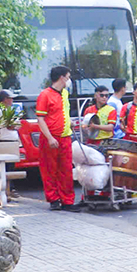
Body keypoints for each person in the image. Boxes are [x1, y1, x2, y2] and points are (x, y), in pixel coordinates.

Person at [35, 66, 79, 211]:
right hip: (51, 138)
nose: (69, 80)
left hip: (65, 137)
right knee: (49, 170)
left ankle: (67, 201)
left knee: (66, 170)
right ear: (62, 77)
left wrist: (69, 123)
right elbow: (40, 119)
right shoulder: (45, 95)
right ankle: (54, 199)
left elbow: (63, 112)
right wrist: (49, 138)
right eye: (68, 77)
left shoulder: (64, 94)